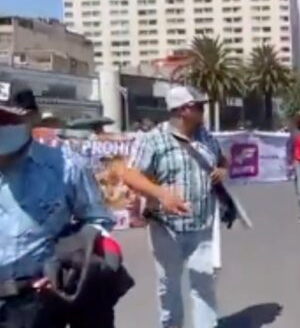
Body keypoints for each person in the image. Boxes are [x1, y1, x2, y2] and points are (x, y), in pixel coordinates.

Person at [0, 85, 116, 327]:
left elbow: (97, 220)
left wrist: (66, 260)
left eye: (6, 118)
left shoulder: (67, 166)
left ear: (31, 119)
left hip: (36, 300)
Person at [130, 86, 228, 328]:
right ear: (183, 110)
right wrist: (162, 194)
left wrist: (223, 169)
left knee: (204, 284)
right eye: (199, 106)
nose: (203, 110)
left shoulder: (206, 137)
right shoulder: (154, 139)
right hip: (166, 229)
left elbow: (222, 158)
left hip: (202, 225)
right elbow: (131, 175)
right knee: (169, 286)